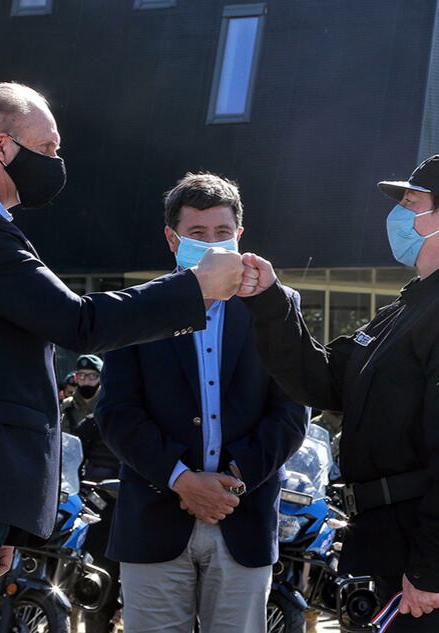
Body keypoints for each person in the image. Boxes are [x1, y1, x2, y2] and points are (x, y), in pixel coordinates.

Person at [0, 82, 245, 633]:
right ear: (0, 146)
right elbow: (76, 321)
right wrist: (194, 287)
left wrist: (3, 522)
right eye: (47, 149)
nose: (57, 164)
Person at [236, 154, 439, 631]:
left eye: (411, 202)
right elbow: (325, 379)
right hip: (401, 539)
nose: (398, 214)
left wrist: (431, 563)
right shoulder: (413, 305)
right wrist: (271, 302)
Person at [97, 172, 307, 633]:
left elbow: (293, 412)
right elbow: (116, 413)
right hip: (153, 519)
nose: (213, 245)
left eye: (223, 233)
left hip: (243, 519)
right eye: (197, 234)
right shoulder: (138, 307)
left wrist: (233, 481)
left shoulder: (276, 305)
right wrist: (182, 480)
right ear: (173, 239)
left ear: (241, 236)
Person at [60, 353, 121, 633]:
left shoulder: (148, 416)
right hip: (97, 501)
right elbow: (70, 451)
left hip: (138, 503)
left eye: (92, 376)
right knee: (97, 572)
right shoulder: (98, 419)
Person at [60, 355, 103, 433]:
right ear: (76, 378)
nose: (86, 381)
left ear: (101, 377)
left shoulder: (108, 406)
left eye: (92, 376)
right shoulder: (65, 407)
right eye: (81, 375)